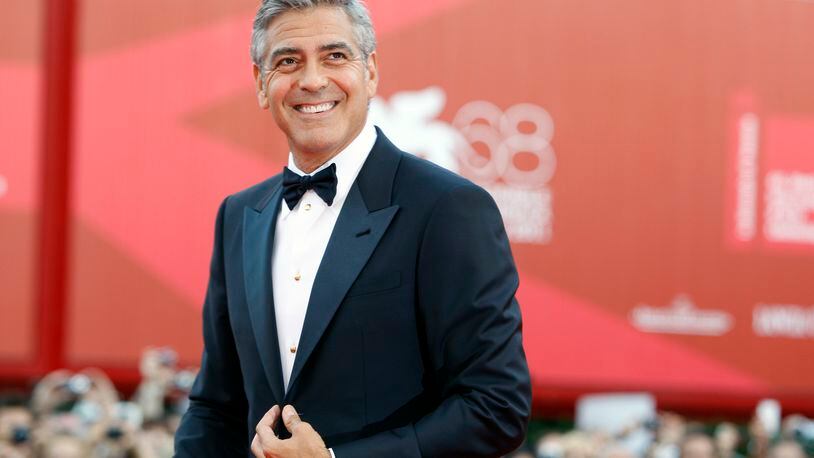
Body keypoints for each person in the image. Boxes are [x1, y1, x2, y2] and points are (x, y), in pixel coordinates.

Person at [173, 0, 531, 456]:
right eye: (287, 61)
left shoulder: (447, 209)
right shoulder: (239, 216)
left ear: (371, 71)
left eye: (335, 56)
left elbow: (496, 406)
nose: (312, 80)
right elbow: (215, 407)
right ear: (262, 84)